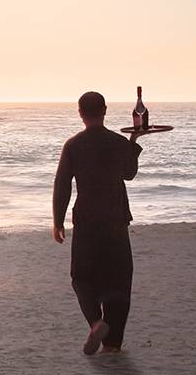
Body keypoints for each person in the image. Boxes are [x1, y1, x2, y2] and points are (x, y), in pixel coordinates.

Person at [52, 91, 144, 355]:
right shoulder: (117, 142)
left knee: (82, 278)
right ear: (105, 111)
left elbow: (62, 185)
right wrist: (133, 140)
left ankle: (95, 323)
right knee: (119, 281)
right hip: (116, 219)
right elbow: (129, 173)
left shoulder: (73, 145)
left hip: (87, 220)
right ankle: (113, 344)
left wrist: (58, 221)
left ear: (80, 113)